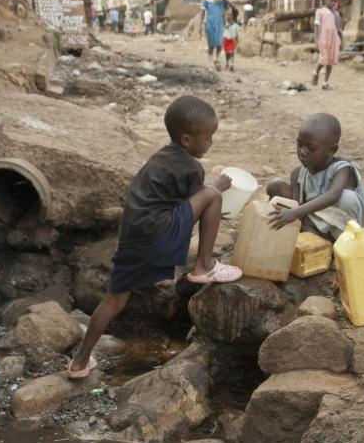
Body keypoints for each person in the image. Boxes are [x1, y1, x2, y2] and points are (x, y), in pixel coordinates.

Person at [67, 96, 243, 379]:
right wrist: (218, 186)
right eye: (208, 138)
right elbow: (201, 200)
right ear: (186, 140)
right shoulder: (191, 167)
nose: (211, 143)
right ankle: (204, 266)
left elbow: (181, 203)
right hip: (159, 232)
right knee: (212, 195)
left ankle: (79, 362)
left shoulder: (160, 157)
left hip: (132, 239)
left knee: (114, 301)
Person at [266, 113, 364, 241]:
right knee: (276, 186)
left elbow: (333, 195)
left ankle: (335, 242)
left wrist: (295, 213)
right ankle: (297, 233)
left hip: (339, 227)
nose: (302, 152)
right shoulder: (298, 173)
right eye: (300, 144)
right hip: (308, 219)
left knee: (347, 198)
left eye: (311, 148)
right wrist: (295, 213)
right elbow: (297, 205)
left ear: (332, 150)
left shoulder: (342, 168)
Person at [312, 0, 343, 90]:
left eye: (335, 1)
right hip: (324, 38)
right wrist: (316, 41)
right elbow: (317, 26)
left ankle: (325, 83)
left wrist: (342, 41)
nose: (333, 3)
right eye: (331, 0)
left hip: (334, 39)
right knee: (323, 59)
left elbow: (339, 29)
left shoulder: (336, 14)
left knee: (331, 61)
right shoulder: (320, 11)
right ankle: (315, 72)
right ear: (325, 0)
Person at [201, 0, 228, 71]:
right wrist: (201, 24)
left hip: (220, 23)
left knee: (219, 44)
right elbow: (202, 12)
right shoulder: (207, 0)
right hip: (210, 24)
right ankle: (210, 63)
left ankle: (217, 60)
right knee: (211, 44)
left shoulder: (221, 0)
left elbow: (228, 8)